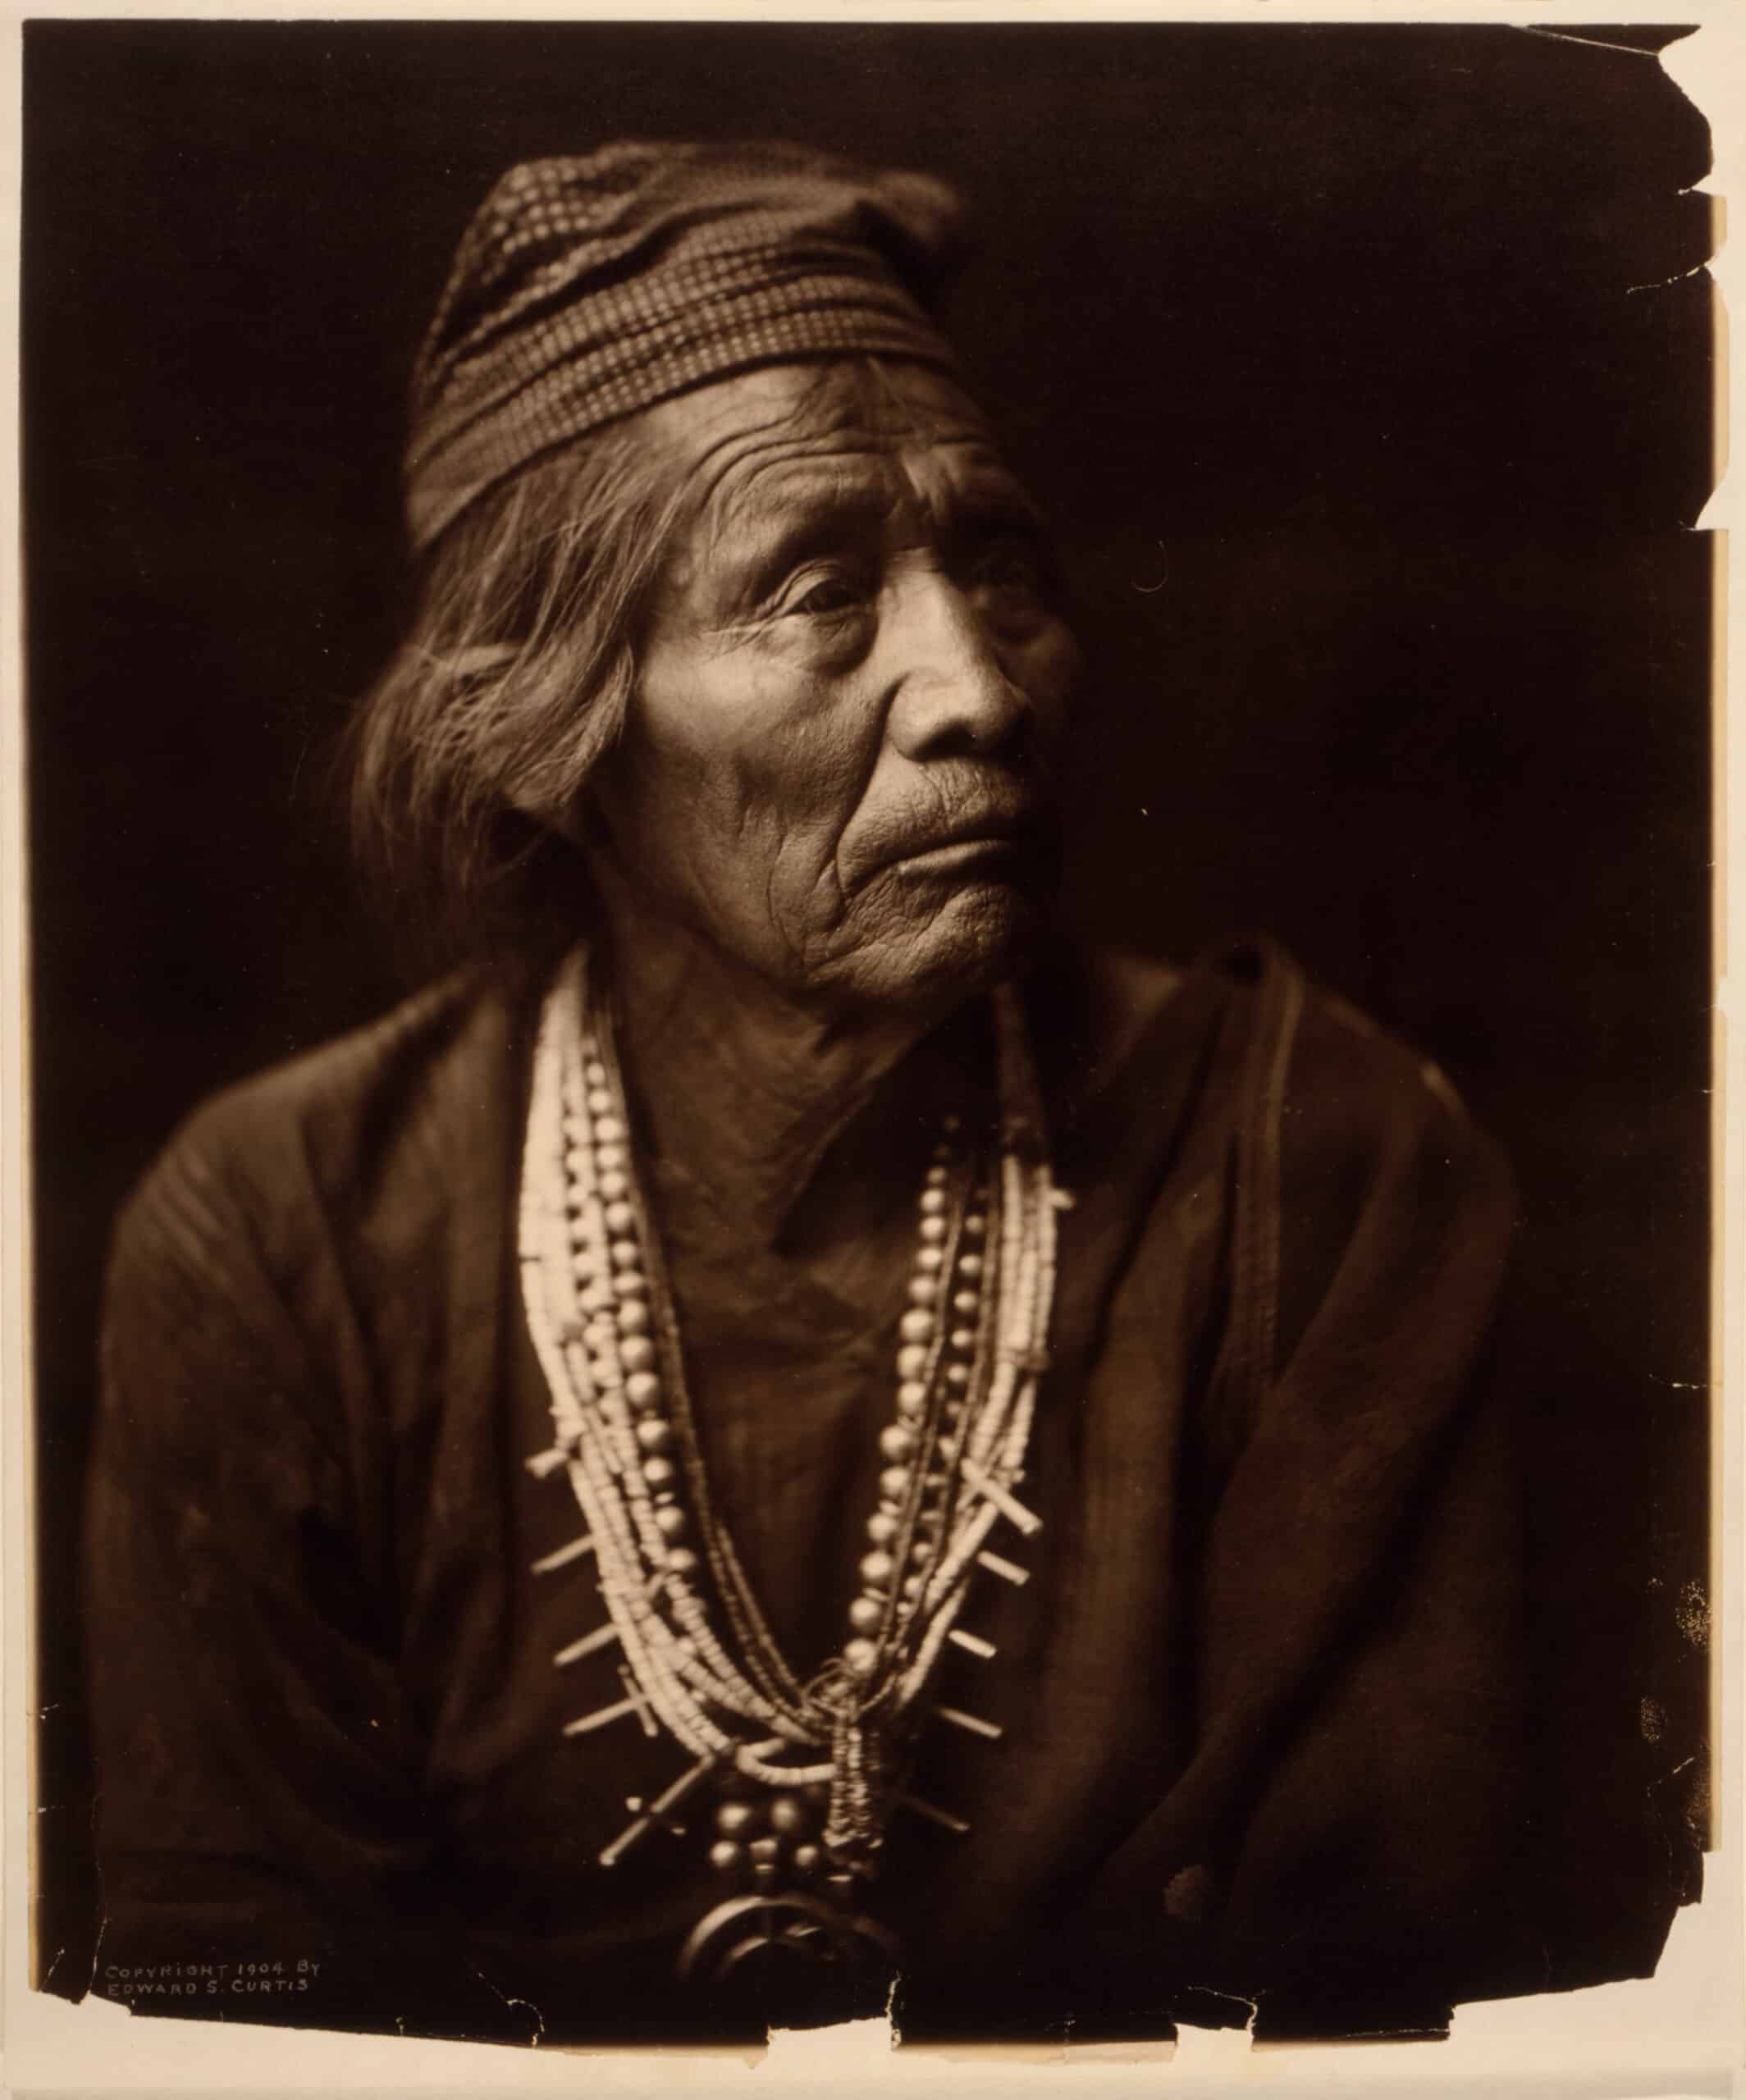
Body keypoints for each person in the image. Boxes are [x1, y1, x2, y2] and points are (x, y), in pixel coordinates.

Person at [84, 140, 1524, 2047]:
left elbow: (1372, 2025)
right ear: (539, 731)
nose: (976, 690)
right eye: (816, 589)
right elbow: (249, 2035)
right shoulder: (283, 1235)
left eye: (996, 571)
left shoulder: (1321, 1169)